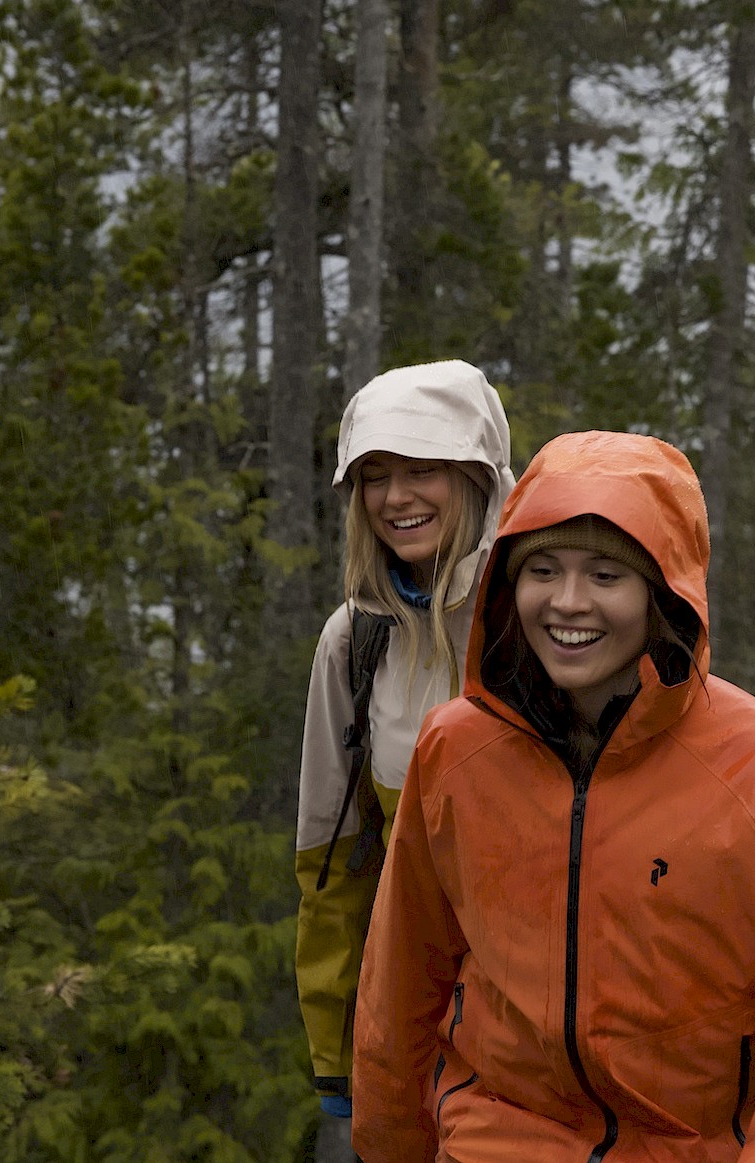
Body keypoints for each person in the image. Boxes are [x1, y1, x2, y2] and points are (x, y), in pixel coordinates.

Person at [351, 431, 755, 1163]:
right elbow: (403, 986)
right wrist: (390, 1147)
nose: (568, 602)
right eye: (543, 568)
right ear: (510, 584)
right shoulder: (455, 751)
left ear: (660, 592)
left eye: (606, 574)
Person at [294, 359, 514, 1158]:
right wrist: (336, 1065)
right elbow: (330, 871)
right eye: (376, 476)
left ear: (479, 477)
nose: (395, 497)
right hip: (411, 1034)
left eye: (423, 469)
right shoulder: (354, 641)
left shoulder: (547, 622)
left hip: (545, 1049)